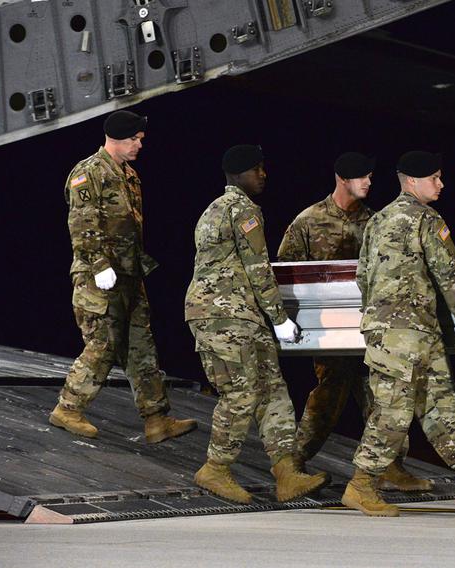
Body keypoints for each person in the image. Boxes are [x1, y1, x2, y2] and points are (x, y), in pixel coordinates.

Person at [342, 150, 455, 517]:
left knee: (442, 407)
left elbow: (363, 276)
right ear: (413, 182)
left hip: (404, 330)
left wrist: (377, 317)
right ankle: (361, 484)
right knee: (394, 411)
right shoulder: (426, 219)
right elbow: (448, 276)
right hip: (406, 332)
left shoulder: (378, 220)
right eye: (435, 178)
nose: (441, 184)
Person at [277, 152, 430, 492]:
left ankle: (391, 466)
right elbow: (286, 273)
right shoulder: (308, 221)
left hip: (371, 324)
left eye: (371, 176)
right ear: (342, 179)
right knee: (329, 395)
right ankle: (294, 462)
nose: (369, 182)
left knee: (382, 397)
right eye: (362, 177)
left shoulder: (375, 221)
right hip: (330, 329)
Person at [185, 144, 327, 504]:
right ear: (240, 174)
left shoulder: (213, 209)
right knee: (242, 392)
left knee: (273, 390)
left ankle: (286, 473)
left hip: (239, 314)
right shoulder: (242, 209)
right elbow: (257, 267)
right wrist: (280, 319)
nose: (263, 175)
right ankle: (215, 468)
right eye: (257, 169)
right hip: (224, 315)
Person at [50, 110, 196, 443]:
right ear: (118, 138)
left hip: (128, 275)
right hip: (97, 277)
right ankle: (68, 408)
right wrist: (100, 266)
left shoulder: (128, 175)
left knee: (141, 346)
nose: (139, 145)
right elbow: (83, 224)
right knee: (103, 344)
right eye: (135, 139)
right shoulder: (88, 173)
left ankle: (156, 419)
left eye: (140, 139)